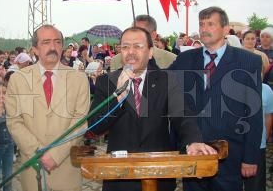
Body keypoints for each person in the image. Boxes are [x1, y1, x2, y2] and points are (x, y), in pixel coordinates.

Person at [88, 26, 216, 191]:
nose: (131, 52)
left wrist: (192, 141)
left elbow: (182, 116)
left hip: (159, 173)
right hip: (119, 177)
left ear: (150, 52)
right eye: (125, 47)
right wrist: (117, 98)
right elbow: (94, 127)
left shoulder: (166, 80)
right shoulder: (107, 82)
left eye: (138, 46)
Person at [169, 6, 263, 191]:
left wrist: (250, 158)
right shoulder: (185, 59)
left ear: (226, 29)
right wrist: (144, 55)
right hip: (193, 150)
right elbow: (161, 80)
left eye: (210, 24)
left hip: (230, 155)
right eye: (201, 24)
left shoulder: (248, 61)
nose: (204, 28)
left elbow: (254, 113)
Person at [5, 24, 90, 191]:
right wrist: (38, 153)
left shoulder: (79, 79)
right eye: (46, 42)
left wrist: (56, 155)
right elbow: (14, 122)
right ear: (35, 49)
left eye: (57, 42)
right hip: (33, 168)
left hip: (67, 170)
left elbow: (80, 122)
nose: (53, 47)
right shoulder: (18, 79)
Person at [110, 15, 176, 71]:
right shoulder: (116, 60)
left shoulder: (171, 60)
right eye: (133, 31)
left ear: (153, 35)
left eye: (141, 33)